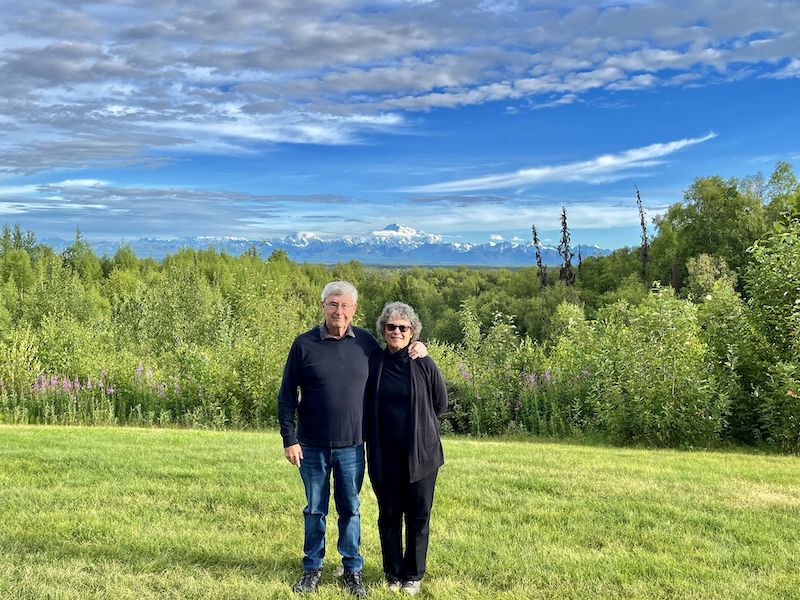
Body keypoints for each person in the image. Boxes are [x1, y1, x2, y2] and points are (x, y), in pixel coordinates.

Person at [278, 282, 426, 597]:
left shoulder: (366, 343)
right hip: (312, 446)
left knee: (351, 510)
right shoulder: (303, 345)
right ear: (323, 306)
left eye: (345, 305)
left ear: (354, 309)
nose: (339, 311)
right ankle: (312, 569)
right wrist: (289, 439)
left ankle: (352, 570)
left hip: (353, 447)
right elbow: (286, 395)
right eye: (333, 304)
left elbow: (395, 354)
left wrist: (420, 350)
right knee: (315, 510)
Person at [365, 302, 447, 597]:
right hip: (384, 454)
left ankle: (413, 575)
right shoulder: (374, 361)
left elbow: (440, 403)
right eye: (391, 327)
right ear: (383, 330)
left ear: (412, 332)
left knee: (417, 515)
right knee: (388, 515)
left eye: (403, 327)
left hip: (421, 454)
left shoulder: (423, 362)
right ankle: (392, 572)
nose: (397, 332)